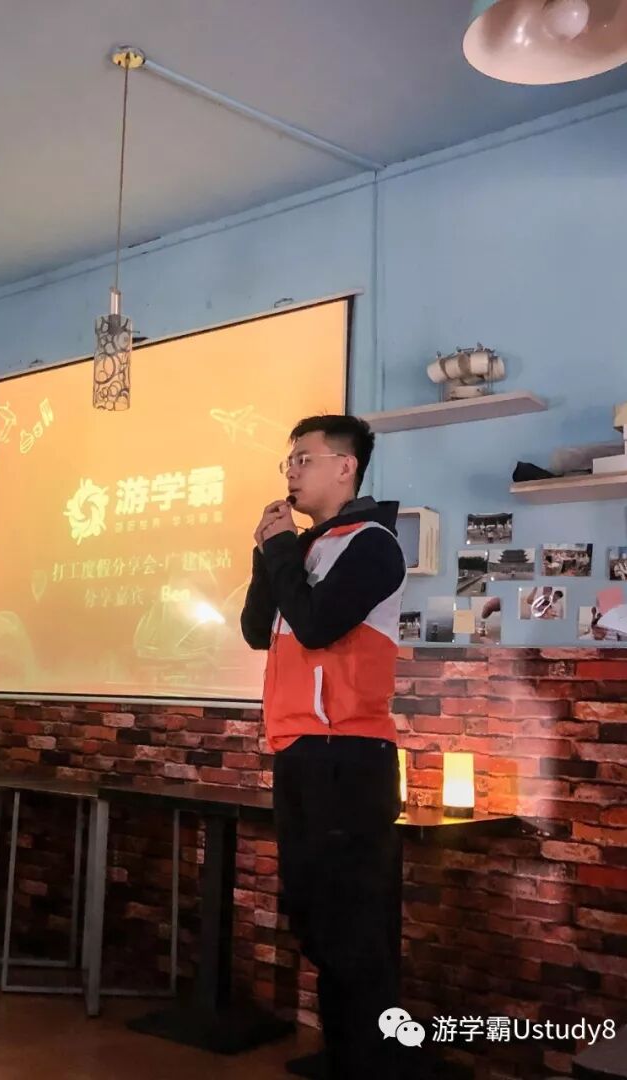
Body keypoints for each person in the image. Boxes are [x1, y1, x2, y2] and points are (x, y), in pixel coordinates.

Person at [240, 414, 406, 1080]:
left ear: (345, 466)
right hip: (302, 752)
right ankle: (347, 1056)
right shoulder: (305, 550)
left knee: (352, 923)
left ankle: (371, 1063)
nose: (291, 472)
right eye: (289, 462)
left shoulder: (373, 544)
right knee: (314, 915)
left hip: (350, 755)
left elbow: (314, 626)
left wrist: (284, 550)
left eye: (303, 459)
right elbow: (258, 628)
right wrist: (268, 553)